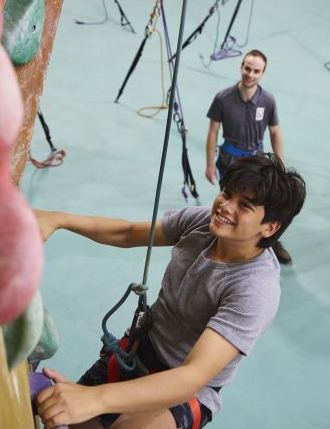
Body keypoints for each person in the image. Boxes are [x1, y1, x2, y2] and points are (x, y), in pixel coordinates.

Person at [34, 154, 306, 429]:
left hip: (186, 386)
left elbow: (191, 376)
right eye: (226, 193)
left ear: (270, 227)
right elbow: (127, 233)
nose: (225, 206)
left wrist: (96, 398)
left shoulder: (255, 289)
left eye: (244, 205)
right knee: (63, 415)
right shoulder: (202, 224)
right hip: (140, 351)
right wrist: (60, 219)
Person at [205, 49, 292, 264]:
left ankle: (271, 243)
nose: (250, 74)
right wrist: (209, 164)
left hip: (257, 163)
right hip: (229, 163)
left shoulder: (268, 101)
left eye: (256, 71)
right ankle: (226, 244)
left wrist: (279, 165)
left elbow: (275, 132)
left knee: (263, 208)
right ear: (241, 68)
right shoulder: (222, 98)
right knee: (231, 207)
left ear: (263, 73)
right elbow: (213, 132)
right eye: (247, 69)